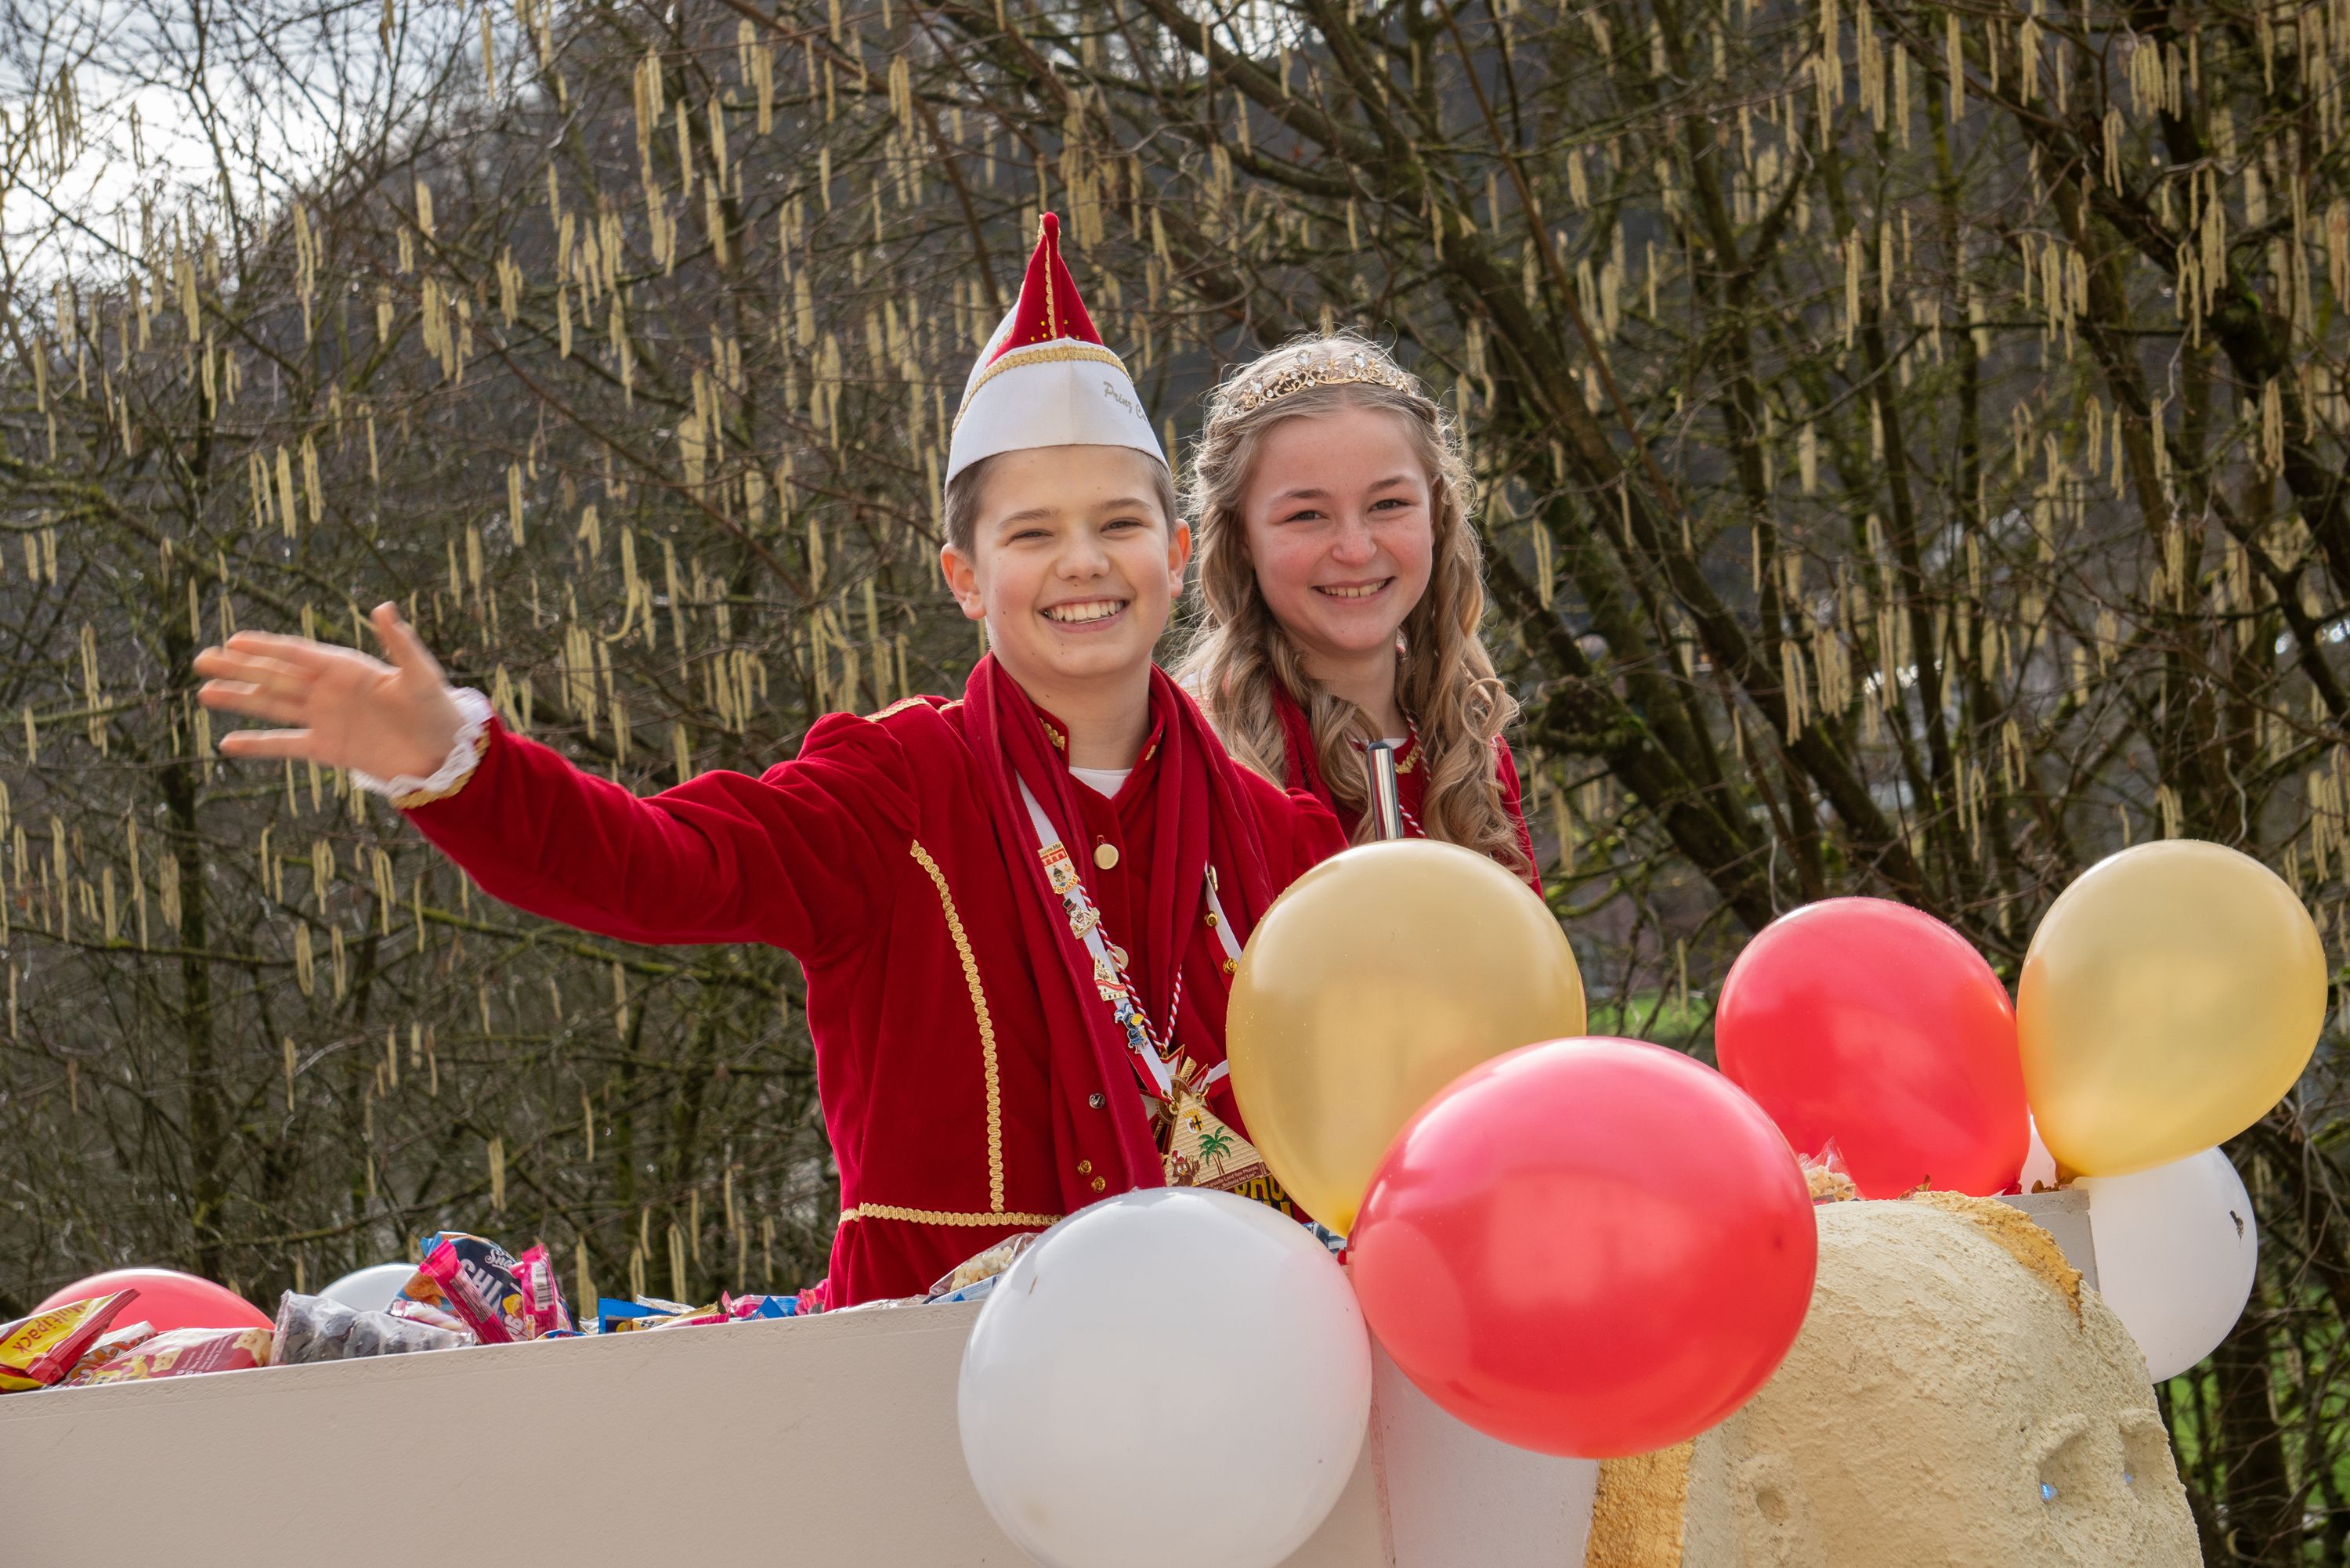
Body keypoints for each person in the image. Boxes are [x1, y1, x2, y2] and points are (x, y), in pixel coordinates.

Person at [193, 216, 1343, 1308]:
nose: (1082, 562)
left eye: (1119, 524)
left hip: (1248, 1398)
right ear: (962, 577)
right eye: (1031, 532)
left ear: (1181, 552)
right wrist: (454, 763)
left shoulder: (1288, 843)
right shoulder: (891, 788)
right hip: (931, 1417)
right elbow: (654, 864)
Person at [1176, 334, 1541, 892]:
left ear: (1436, 510)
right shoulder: (1203, 759)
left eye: (1387, 505)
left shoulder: (1469, 741)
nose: (1355, 550)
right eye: (1306, 515)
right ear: (1242, 537)